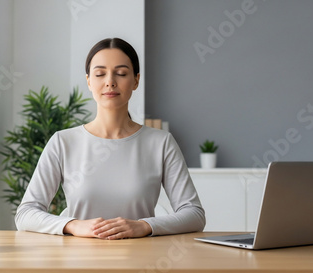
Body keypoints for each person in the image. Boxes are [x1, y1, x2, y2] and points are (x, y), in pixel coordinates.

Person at [16, 38, 205, 240]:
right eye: (100, 74)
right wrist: (73, 225)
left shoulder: (161, 143)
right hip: (78, 261)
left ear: (135, 80)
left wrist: (144, 226)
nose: (110, 81)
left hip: (143, 259)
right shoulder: (63, 142)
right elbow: (25, 214)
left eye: (121, 73)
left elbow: (194, 214)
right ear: (89, 81)